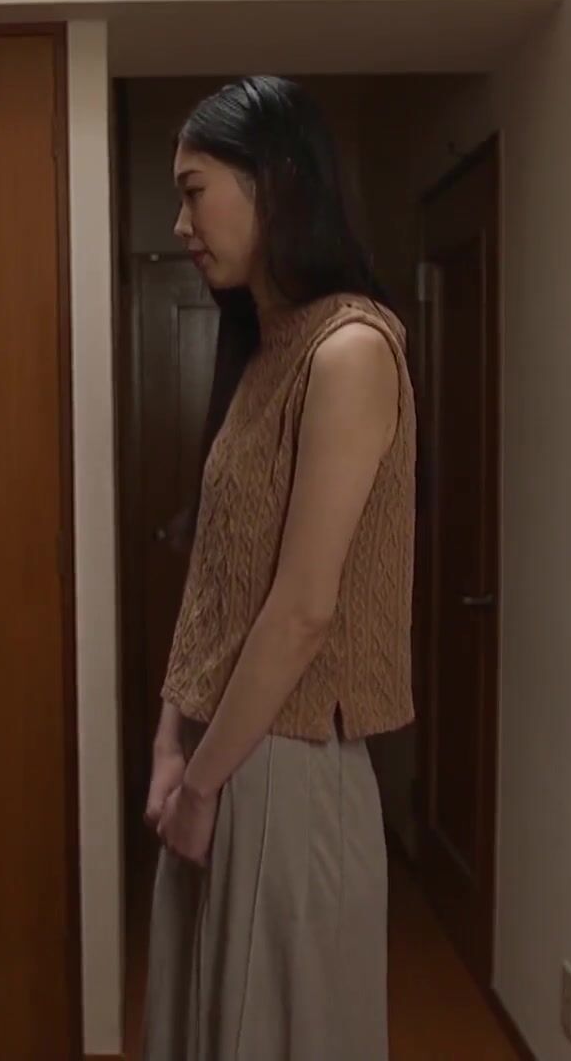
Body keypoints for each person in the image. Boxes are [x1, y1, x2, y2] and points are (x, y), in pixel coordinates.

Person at [141, 76, 416, 1060]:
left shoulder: (350, 351)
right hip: (223, 751)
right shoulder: (266, 352)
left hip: (288, 765)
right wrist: (171, 743)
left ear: (276, 181)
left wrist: (202, 782)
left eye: (194, 191)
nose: (181, 225)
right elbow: (218, 574)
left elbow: (303, 609)